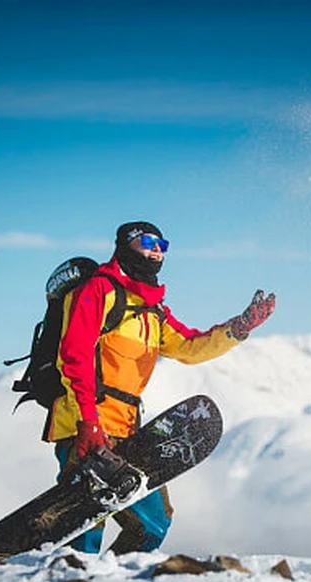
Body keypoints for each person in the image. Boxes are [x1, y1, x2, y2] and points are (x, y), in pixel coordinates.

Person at [46, 221, 275, 555]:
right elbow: (74, 356)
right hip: (86, 424)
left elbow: (190, 347)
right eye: (149, 242)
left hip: (128, 430)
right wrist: (88, 421)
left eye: (162, 245)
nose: (157, 250)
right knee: (86, 522)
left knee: (154, 522)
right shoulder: (98, 291)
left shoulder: (152, 309)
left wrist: (238, 328)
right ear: (125, 244)